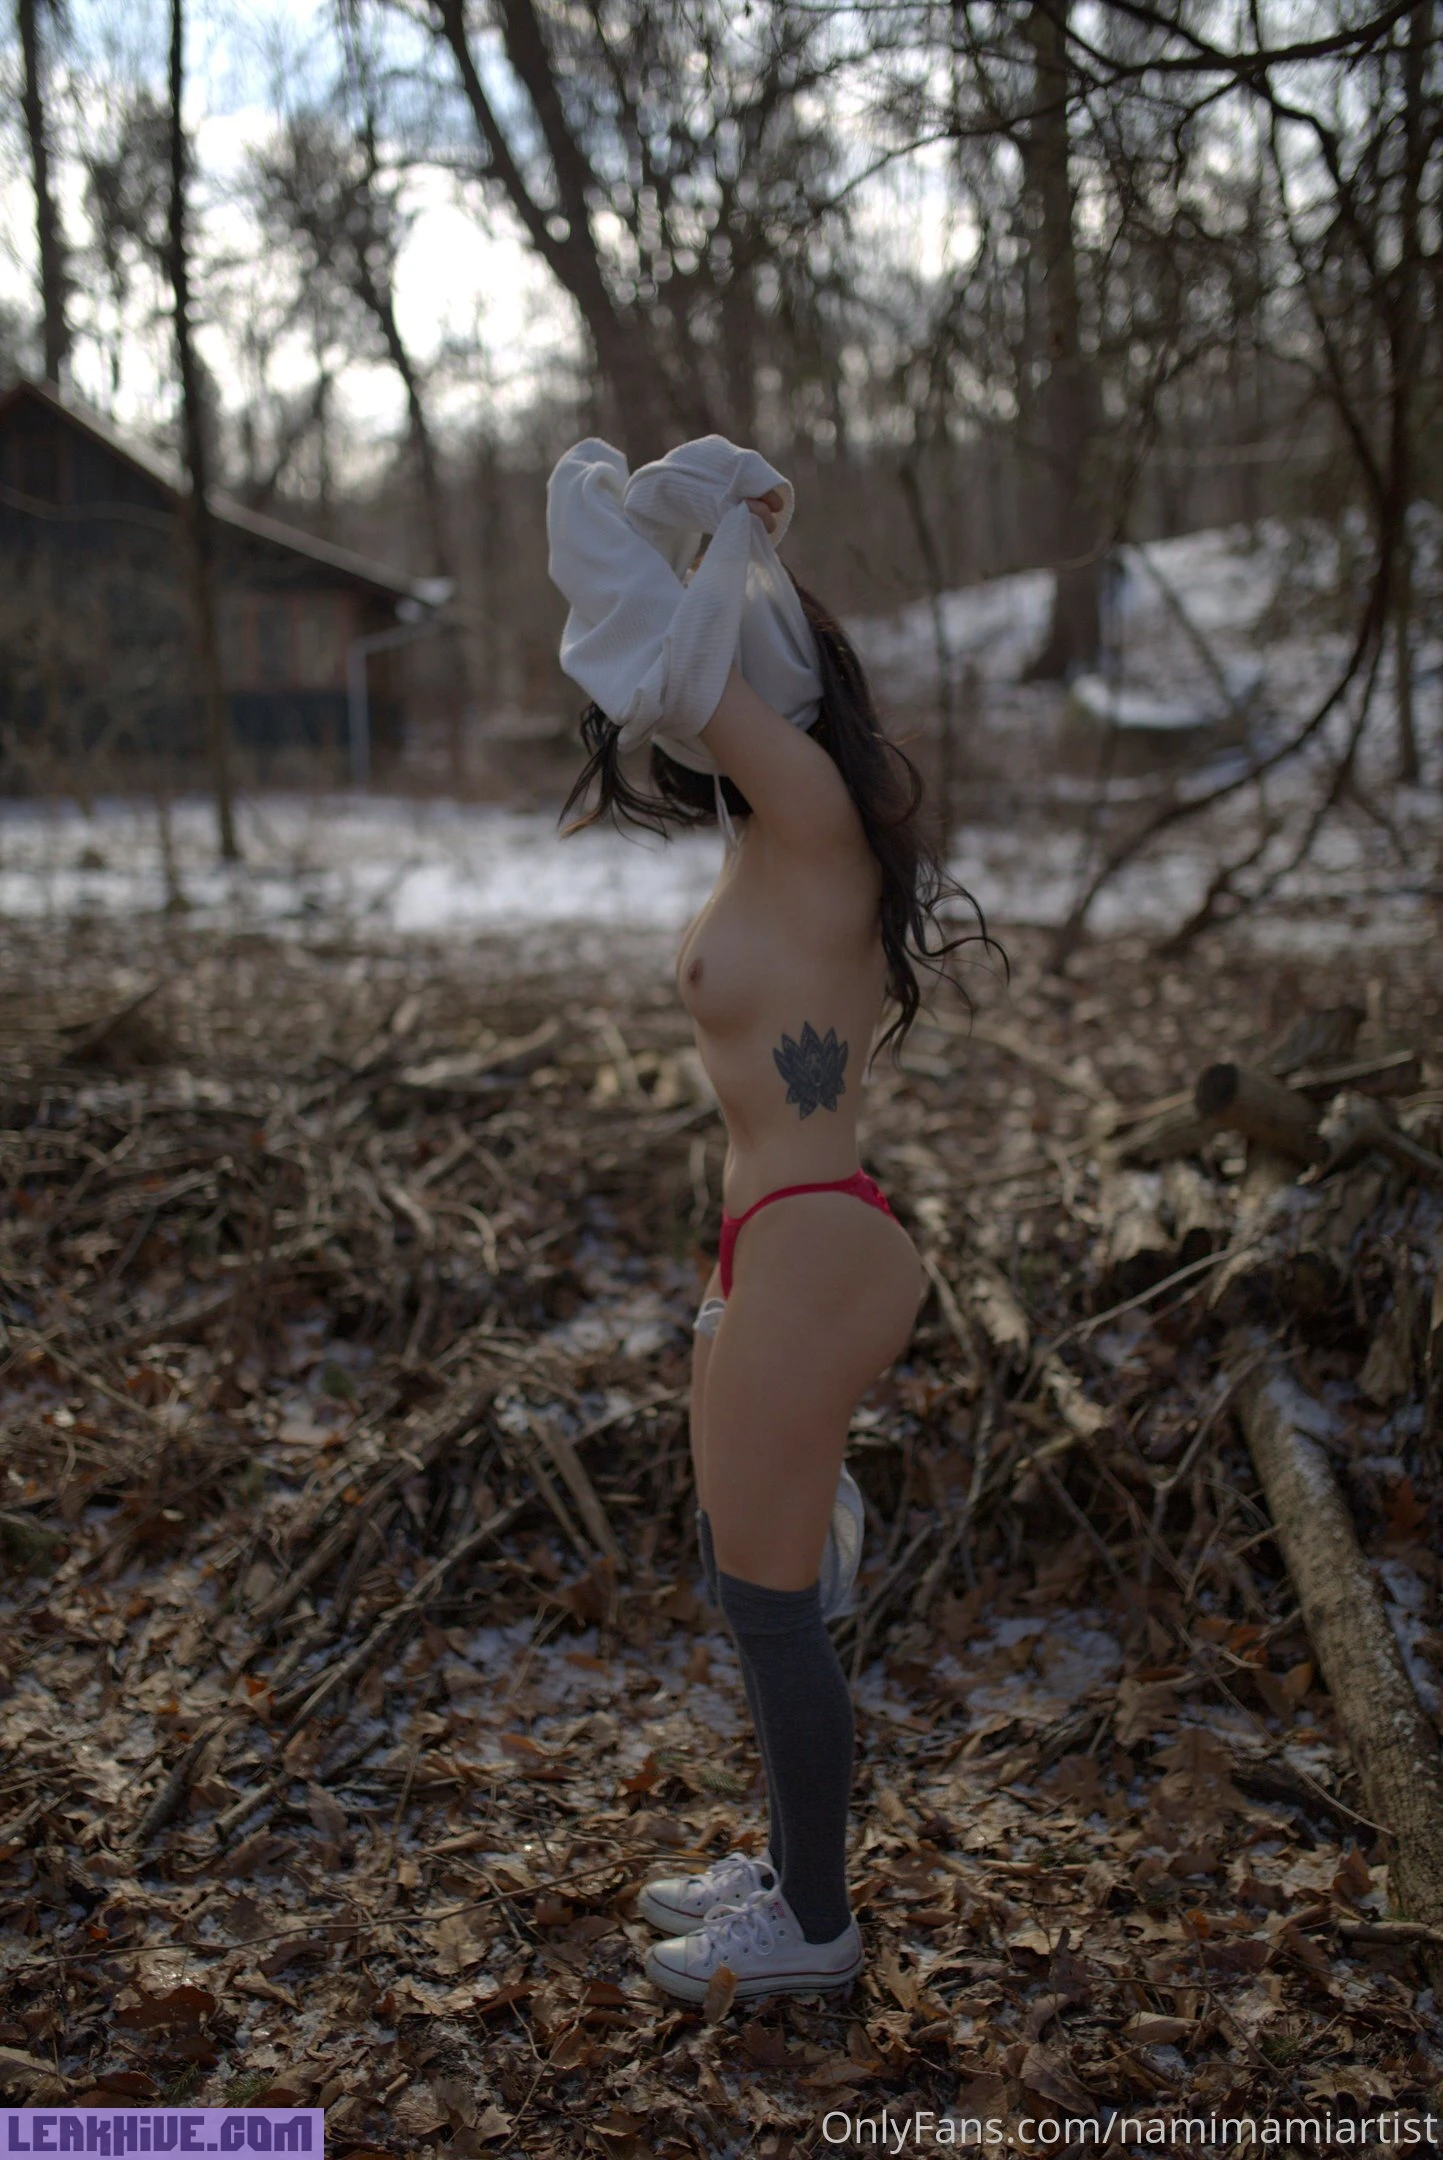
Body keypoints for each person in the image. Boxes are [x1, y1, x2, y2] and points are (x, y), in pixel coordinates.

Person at [548, 435, 990, 2004]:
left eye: (735, 649)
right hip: (777, 1241)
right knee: (756, 1583)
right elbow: (680, 677)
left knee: (768, 1597)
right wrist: (698, 529)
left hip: (813, 1245)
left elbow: (674, 672)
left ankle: (812, 1926)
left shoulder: (809, 806)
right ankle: (789, 1870)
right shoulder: (770, 825)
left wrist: (638, 511)